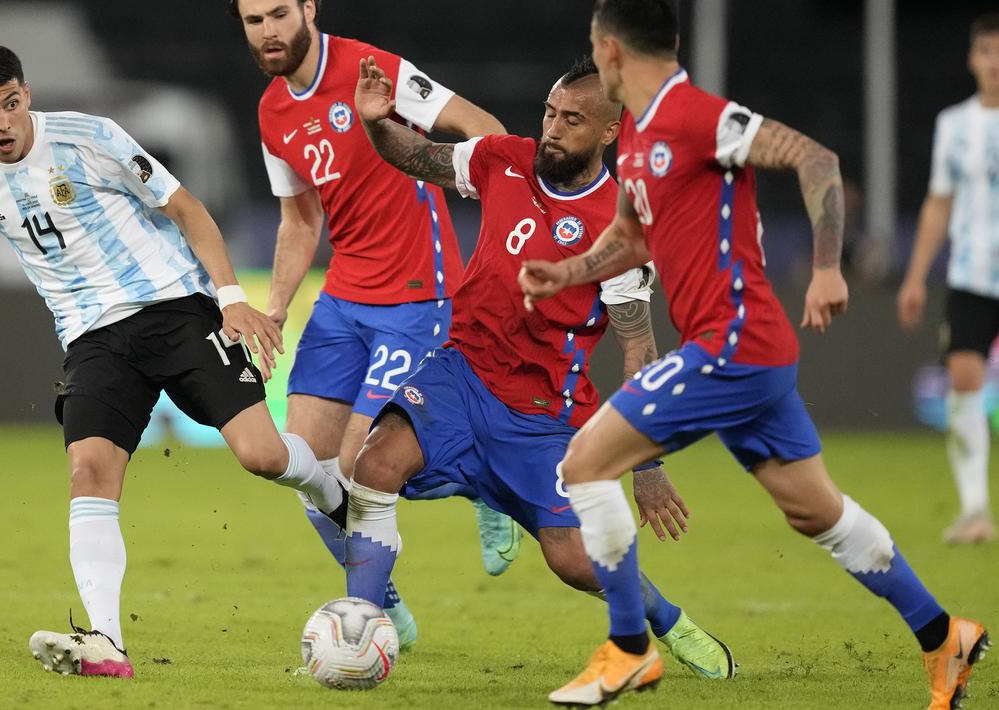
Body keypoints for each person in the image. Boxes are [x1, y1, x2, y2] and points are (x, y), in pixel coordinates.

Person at [0, 44, 350, 680]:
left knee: (264, 457)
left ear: (25, 94)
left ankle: (332, 491)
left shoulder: (92, 137)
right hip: (94, 340)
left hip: (175, 309)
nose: (3, 122)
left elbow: (187, 211)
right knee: (88, 471)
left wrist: (229, 300)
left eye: (10, 104)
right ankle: (107, 642)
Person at [518, 2, 989, 707]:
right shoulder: (642, 137)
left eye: (593, 45)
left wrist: (828, 265)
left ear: (610, 51)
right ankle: (942, 636)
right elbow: (629, 239)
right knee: (817, 514)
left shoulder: (697, 115)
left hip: (731, 344)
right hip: (747, 354)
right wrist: (565, 271)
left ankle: (627, 650)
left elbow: (813, 158)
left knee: (583, 464)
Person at [343, 55, 735, 679]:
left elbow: (638, 349)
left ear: (610, 133)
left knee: (577, 561)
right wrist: (375, 123)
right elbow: (416, 158)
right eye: (550, 112)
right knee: (373, 462)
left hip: (542, 411)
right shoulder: (504, 158)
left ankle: (671, 621)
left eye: (572, 120)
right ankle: (358, 628)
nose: (552, 128)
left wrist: (648, 463)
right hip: (462, 372)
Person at [231, 0, 521, 647]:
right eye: (253, 21)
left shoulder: (373, 70)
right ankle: (383, 602)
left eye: (279, 12)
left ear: (308, 8)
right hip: (341, 300)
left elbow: (481, 126)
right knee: (303, 470)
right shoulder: (271, 111)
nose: (269, 30)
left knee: (363, 463)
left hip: (417, 294)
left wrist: (498, 210)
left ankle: (482, 481)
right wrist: (275, 306)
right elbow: (300, 220)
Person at [897, 12, 999, 545]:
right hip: (973, 275)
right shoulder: (954, 124)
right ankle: (975, 509)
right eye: (986, 51)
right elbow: (938, 204)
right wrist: (915, 276)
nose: (995, 62)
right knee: (964, 381)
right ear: (972, 58)